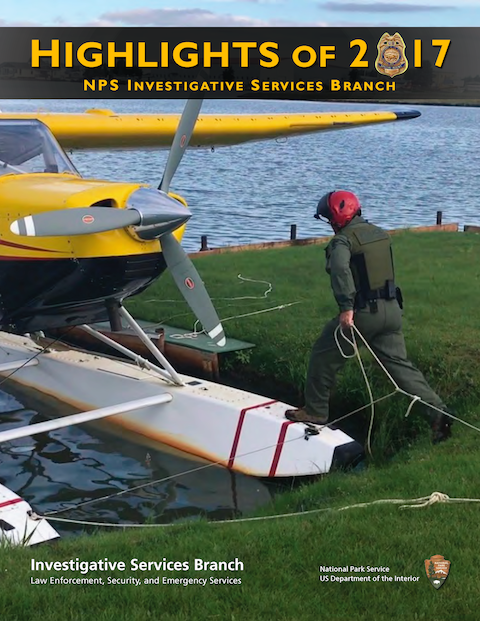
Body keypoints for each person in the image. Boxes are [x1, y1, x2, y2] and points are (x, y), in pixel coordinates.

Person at [285, 190, 453, 443]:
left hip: (363, 314)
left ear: (339, 217)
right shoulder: (380, 234)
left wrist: (346, 307)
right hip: (392, 311)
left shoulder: (342, 241)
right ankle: (438, 413)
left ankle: (316, 411)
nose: (330, 223)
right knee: (400, 367)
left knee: (323, 354)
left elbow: (340, 269)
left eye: (330, 218)